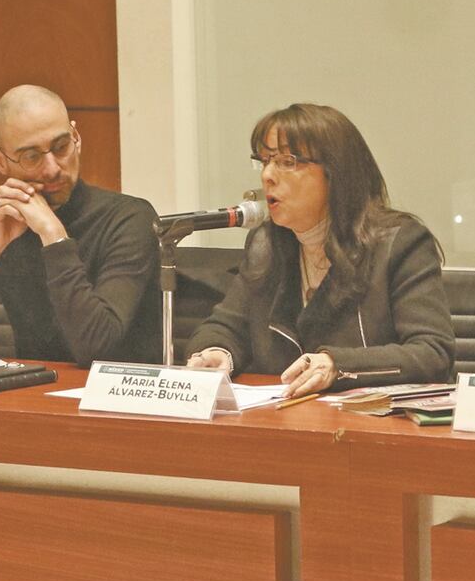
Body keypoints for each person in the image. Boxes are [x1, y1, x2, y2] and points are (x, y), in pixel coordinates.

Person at [186, 103, 455, 396]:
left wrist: (336, 365)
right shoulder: (266, 245)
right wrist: (218, 352)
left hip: (376, 426)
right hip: (285, 425)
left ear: (335, 173)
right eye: (264, 160)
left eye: (287, 162)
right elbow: (225, 326)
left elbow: (432, 353)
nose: (267, 175)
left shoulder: (400, 243)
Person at [0, 84, 161, 366]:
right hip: (34, 394)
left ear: (76, 137)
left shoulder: (129, 219)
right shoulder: (6, 218)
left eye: (61, 146)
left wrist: (54, 237)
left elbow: (96, 349)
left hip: (121, 397)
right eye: (32, 156)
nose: (52, 167)